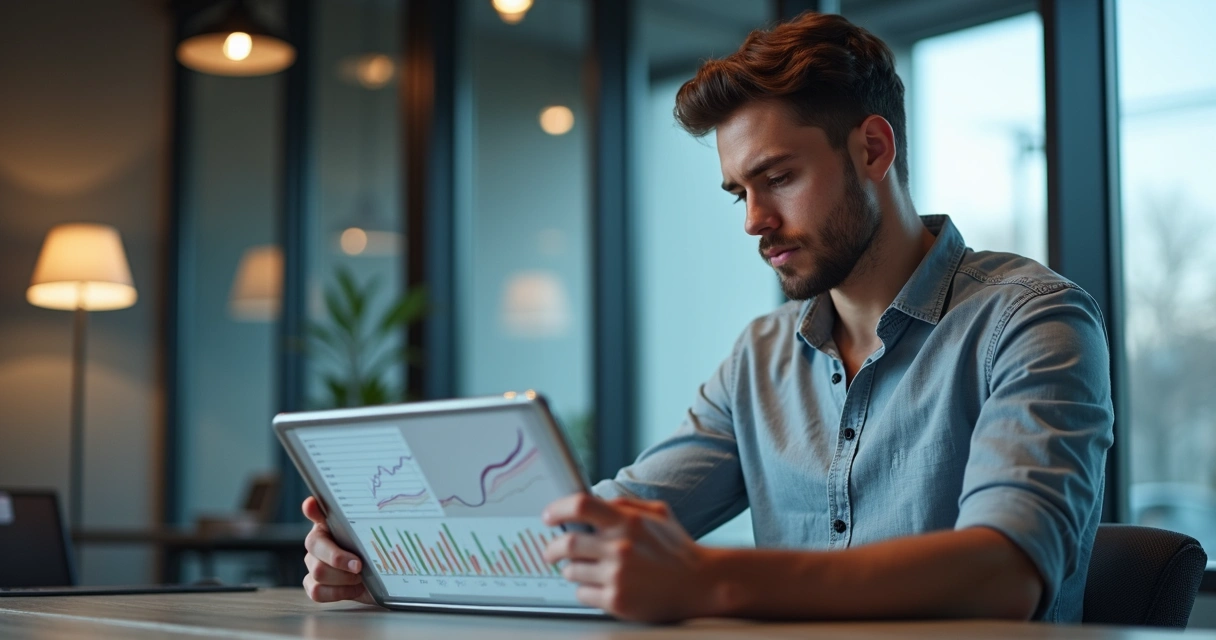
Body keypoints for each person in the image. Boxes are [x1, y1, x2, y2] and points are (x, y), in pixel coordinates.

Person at [300, 11, 1113, 624]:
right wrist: (387, 558)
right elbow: (608, 519)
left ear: (873, 149)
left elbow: (1003, 577)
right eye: (739, 192)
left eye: (779, 177)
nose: (754, 220)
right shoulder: (762, 356)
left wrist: (710, 580)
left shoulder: (1031, 323)